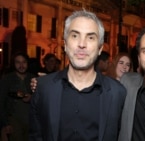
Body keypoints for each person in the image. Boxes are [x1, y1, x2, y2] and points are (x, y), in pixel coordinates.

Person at [29, 10, 126, 141]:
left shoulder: (118, 93)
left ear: (100, 48)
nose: (82, 44)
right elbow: (36, 136)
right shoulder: (44, 88)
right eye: (75, 36)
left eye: (90, 37)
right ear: (65, 44)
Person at [0, 52, 36, 141]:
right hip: (14, 120)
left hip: (31, 120)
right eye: (18, 62)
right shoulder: (7, 79)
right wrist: (4, 124)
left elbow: (41, 100)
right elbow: (1, 102)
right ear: (14, 64)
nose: (21, 65)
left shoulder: (34, 78)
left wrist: (32, 98)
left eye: (24, 62)